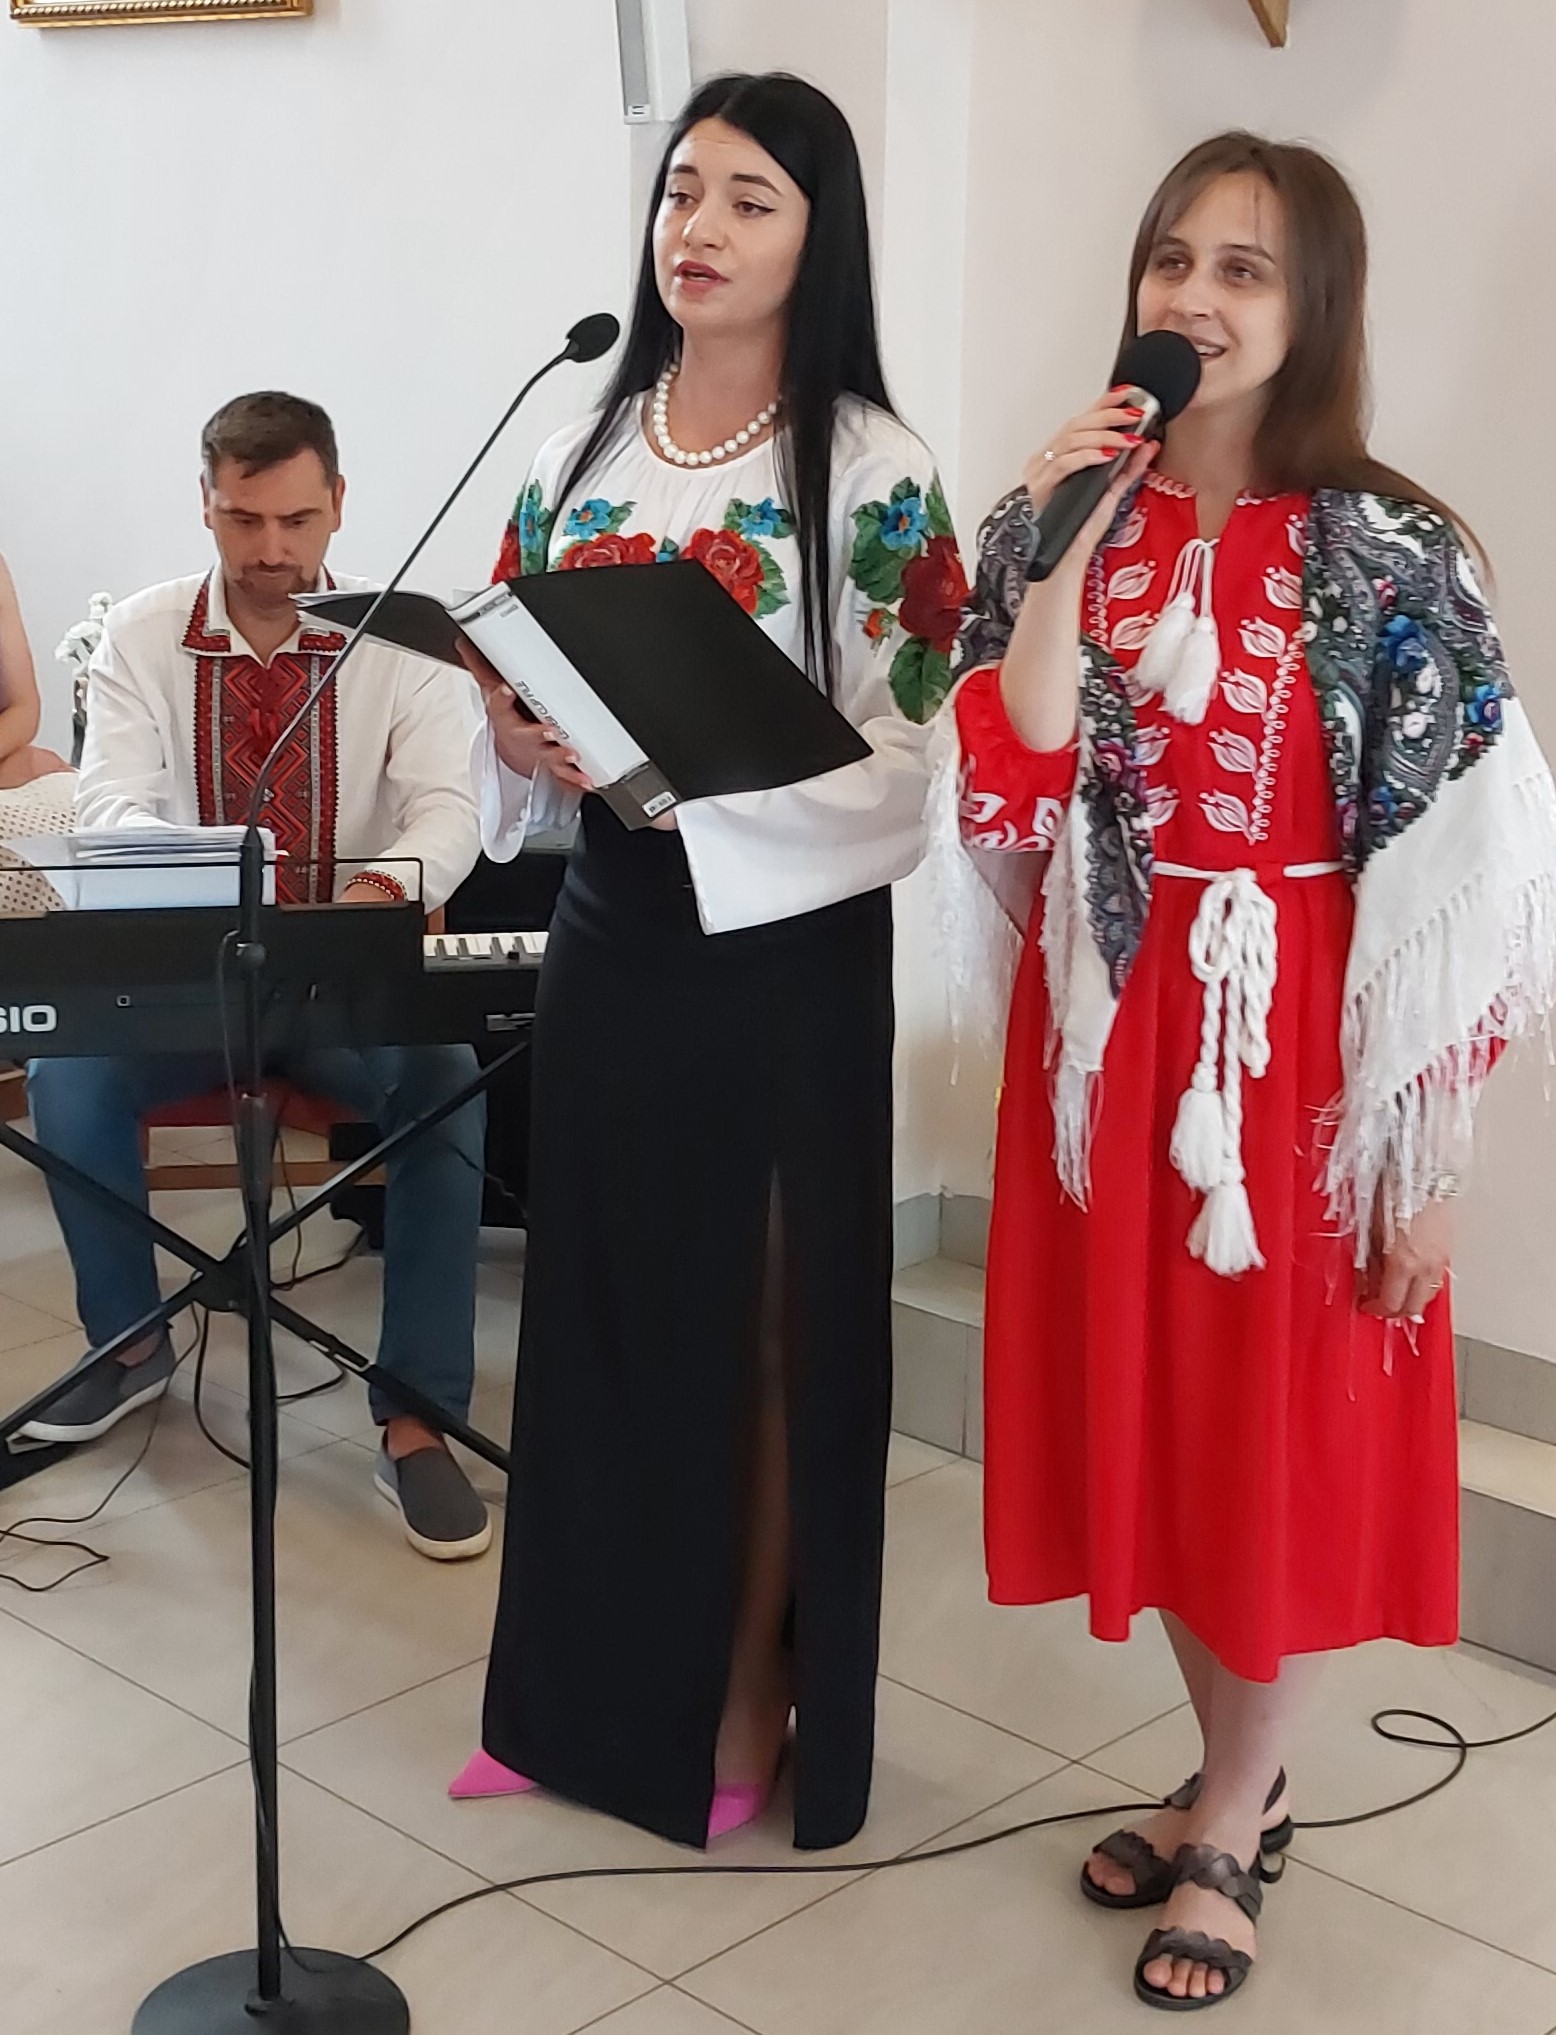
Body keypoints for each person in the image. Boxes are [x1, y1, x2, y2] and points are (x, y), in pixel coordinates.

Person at [949, 132, 1556, 2011]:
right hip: (1110, 1025)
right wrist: (1059, 530)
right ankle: (1240, 1771)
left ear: (1316, 310)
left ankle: (1233, 1800)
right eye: (1170, 260)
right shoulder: (1060, 514)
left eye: (1242, 269)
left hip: (1301, 1057)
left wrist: (1426, 1158)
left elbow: (1466, 876)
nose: (1192, 299)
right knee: (1154, 1413)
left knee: (1265, 1427)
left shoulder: (1392, 551)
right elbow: (1012, 768)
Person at [457, 72, 965, 1850]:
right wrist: (515, 740)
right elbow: (510, 670)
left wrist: (701, 795)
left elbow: (910, 758)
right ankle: (570, 1697)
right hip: (609, 926)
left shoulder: (879, 473)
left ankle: (750, 1689)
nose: (701, 228)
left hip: (783, 947)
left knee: (758, 1328)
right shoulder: (578, 444)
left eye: (751, 198)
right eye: (684, 190)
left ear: (820, 238)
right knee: (600, 1310)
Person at [22, 392, 494, 1562]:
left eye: (295, 518)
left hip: (349, 978)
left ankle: (417, 1413)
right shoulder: (142, 635)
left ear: (338, 504)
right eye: (243, 519)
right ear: (206, 503)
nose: (271, 548)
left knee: (445, 1078)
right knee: (67, 1072)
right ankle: (130, 1344)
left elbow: (448, 811)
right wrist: (196, 874)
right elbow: (108, 801)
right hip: (190, 979)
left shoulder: (403, 638)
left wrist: (367, 899)